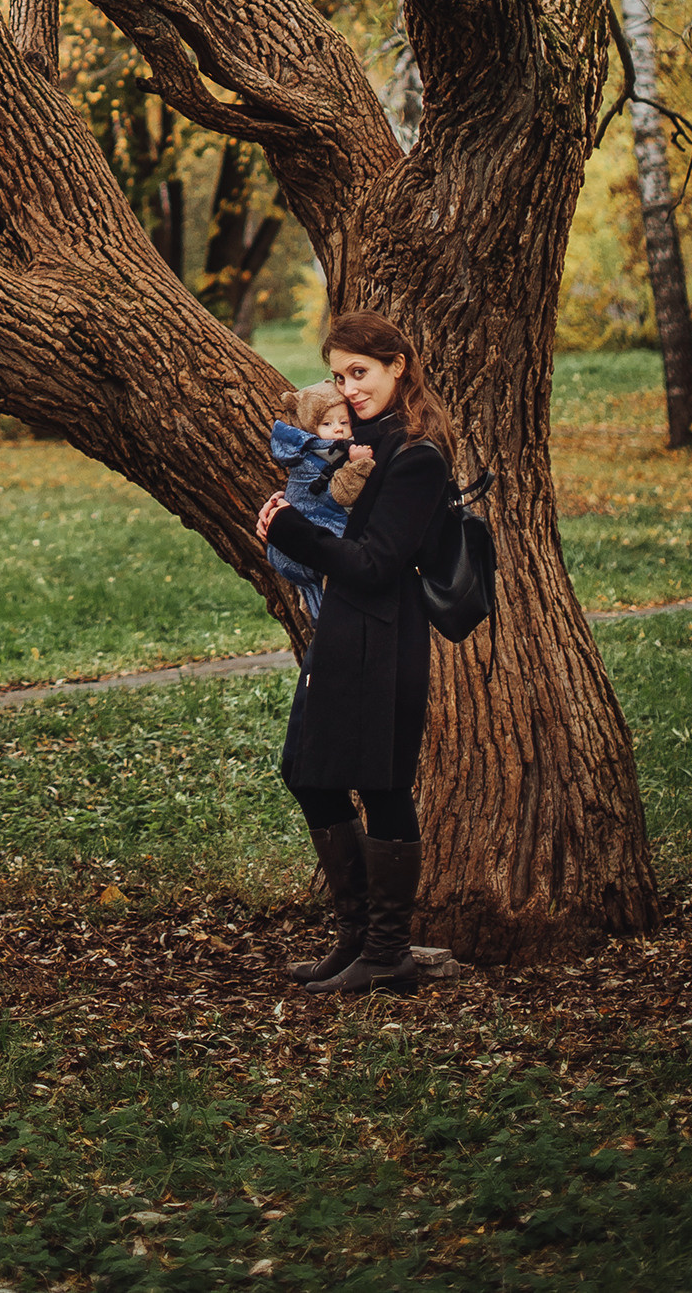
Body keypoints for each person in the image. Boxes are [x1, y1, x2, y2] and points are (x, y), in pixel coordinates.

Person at [256, 309, 455, 994]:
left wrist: (290, 533)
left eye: (361, 372)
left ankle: (386, 952)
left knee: (383, 785)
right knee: (306, 771)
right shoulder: (362, 437)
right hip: (346, 629)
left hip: (384, 634)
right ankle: (355, 940)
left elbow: (374, 563)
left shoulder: (419, 456)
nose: (350, 387)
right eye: (340, 375)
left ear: (399, 364)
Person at [265, 382, 374, 623]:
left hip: (293, 544)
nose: (338, 430)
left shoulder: (309, 452)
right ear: (309, 426)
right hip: (313, 541)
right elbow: (342, 494)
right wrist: (359, 465)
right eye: (327, 424)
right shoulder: (322, 458)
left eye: (344, 423)